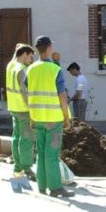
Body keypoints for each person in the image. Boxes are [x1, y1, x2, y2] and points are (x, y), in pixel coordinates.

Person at [26, 36, 74, 198]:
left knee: (40, 153)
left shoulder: (31, 69)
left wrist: (32, 118)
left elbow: (29, 94)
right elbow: (62, 95)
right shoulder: (55, 69)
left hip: (38, 118)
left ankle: (42, 185)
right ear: (48, 49)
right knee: (52, 155)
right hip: (53, 120)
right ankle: (55, 188)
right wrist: (66, 117)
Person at [5, 43, 36, 180]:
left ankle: (17, 168)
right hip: (24, 109)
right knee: (26, 140)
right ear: (24, 54)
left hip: (13, 108)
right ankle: (27, 169)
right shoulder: (22, 70)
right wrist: (32, 109)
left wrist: (18, 48)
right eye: (30, 56)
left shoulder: (10, 66)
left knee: (16, 138)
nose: (31, 60)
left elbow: (14, 57)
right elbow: (25, 92)